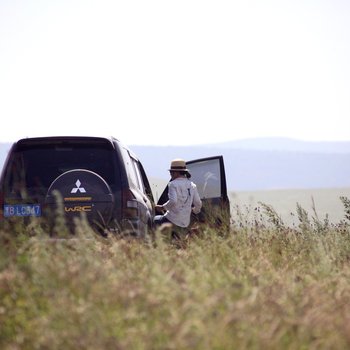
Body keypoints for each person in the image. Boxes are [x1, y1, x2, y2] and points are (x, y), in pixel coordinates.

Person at [154, 159, 202, 239]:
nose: (170, 174)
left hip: (171, 220)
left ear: (176, 172)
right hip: (185, 224)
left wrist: (162, 207)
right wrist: (195, 210)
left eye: (171, 172)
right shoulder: (192, 185)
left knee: (155, 220)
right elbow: (198, 203)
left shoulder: (173, 184)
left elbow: (173, 201)